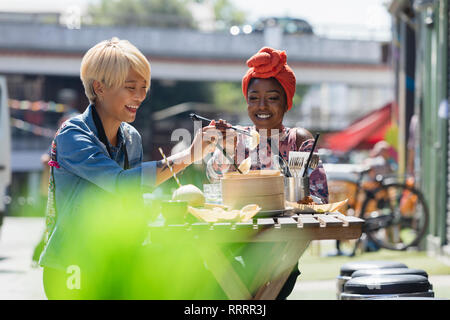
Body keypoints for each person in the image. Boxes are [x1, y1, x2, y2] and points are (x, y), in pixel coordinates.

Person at [38, 37, 218, 299]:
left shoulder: (131, 137)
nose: (140, 96)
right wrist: (189, 156)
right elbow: (121, 183)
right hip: (72, 265)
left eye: (144, 87)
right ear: (99, 87)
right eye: (130, 87)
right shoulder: (72, 134)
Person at [206, 47, 329, 299]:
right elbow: (214, 182)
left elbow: (318, 198)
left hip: (280, 252)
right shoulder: (237, 139)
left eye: (272, 98)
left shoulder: (297, 140)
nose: (261, 106)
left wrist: (287, 200)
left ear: (286, 102)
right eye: (253, 98)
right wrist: (225, 148)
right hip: (232, 245)